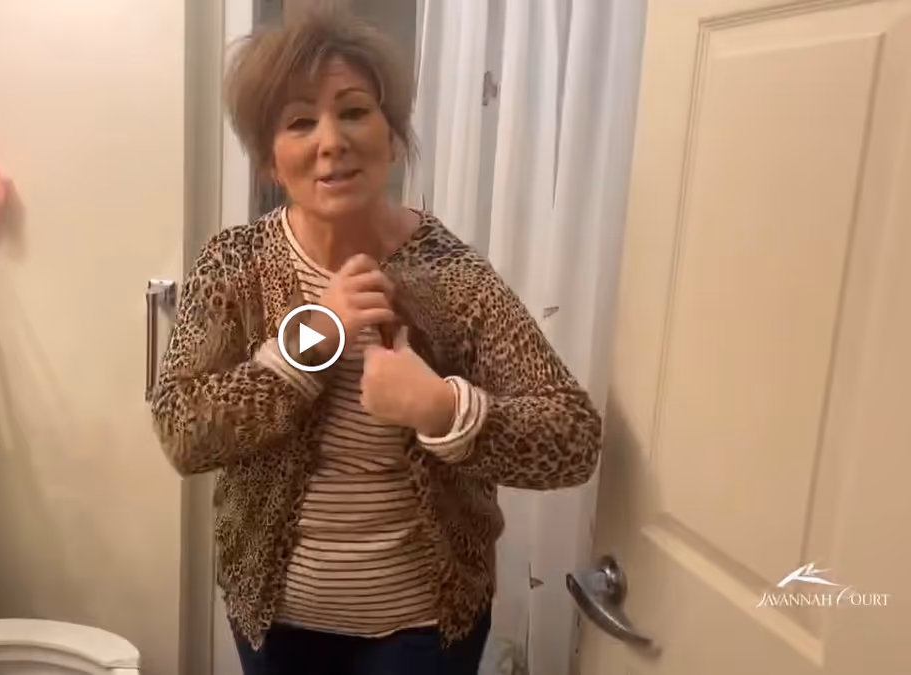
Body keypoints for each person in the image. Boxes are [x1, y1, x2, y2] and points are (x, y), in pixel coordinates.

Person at [150, 5, 602, 674]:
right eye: (300, 121)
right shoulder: (236, 263)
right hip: (273, 617)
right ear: (270, 158)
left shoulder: (452, 274)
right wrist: (311, 339)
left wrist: (441, 409)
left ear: (393, 137)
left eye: (354, 111)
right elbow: (183, 431)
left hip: (424, 626)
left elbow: (574, 439)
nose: (330, 140)